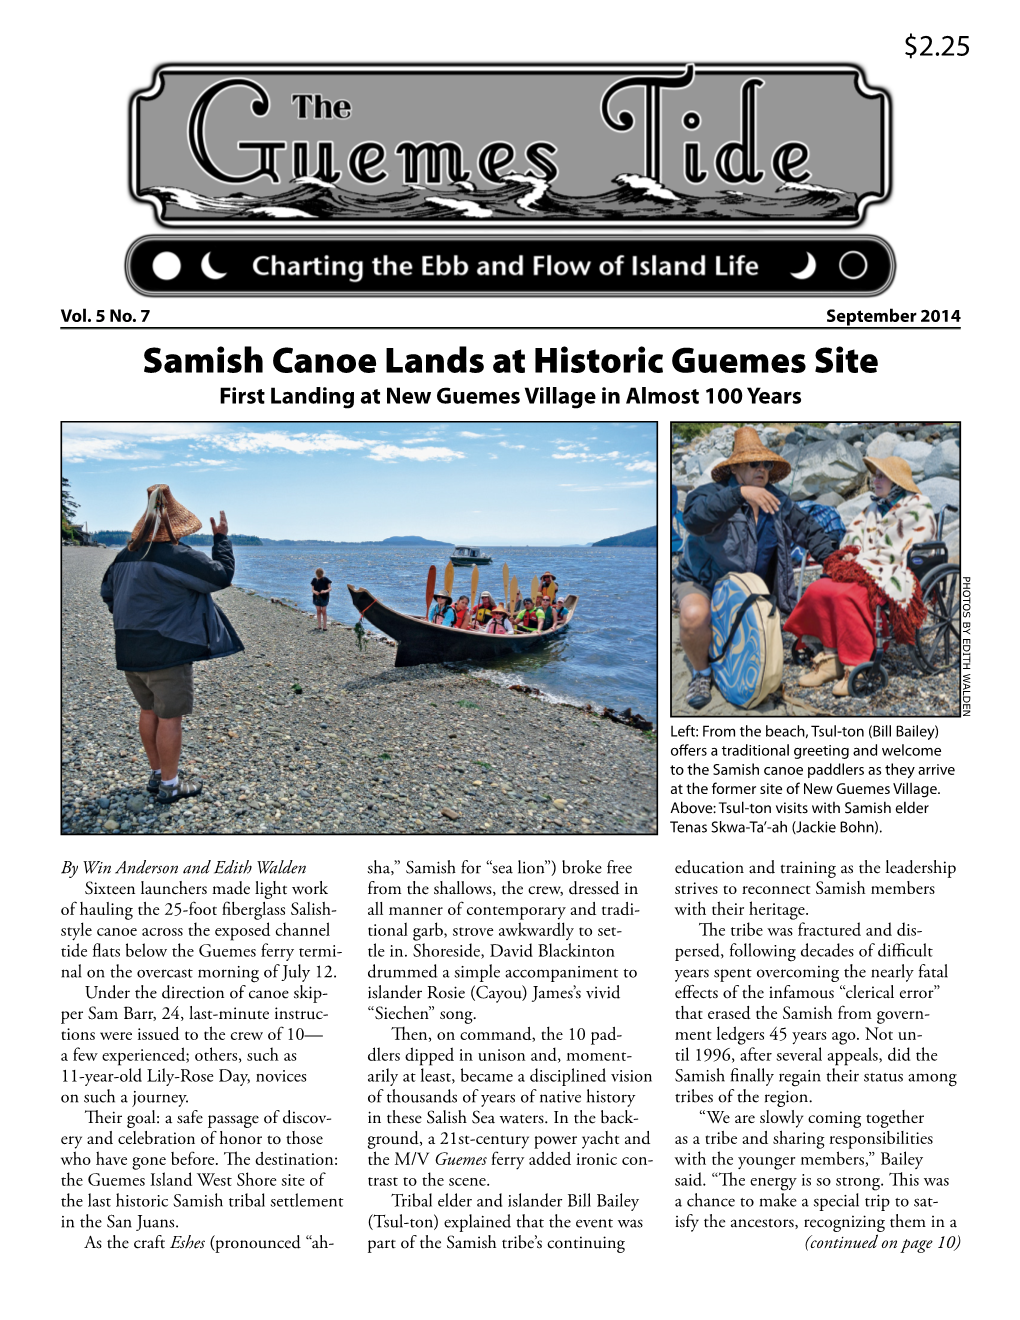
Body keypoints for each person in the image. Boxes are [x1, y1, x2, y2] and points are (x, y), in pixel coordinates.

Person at [673, 426, 836, 710]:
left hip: (748, 591)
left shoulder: (777, 499)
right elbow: (694, 520)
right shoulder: (710, 494)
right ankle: (701, 673)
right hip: (703, 583)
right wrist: (740, 494)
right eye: (754, 464)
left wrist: (834, 562)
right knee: (693, 616)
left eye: (766, 464)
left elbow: (809, 530)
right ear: (736, 468)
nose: (762, 469)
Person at [99, 484, 243, 804]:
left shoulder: (124, 556)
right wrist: (221, 539)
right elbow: (220, 576)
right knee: (170, 717)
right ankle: (170, 785)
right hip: (166, 650)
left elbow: (108, 594)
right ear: (175, 528)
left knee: (148, 710)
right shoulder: (175, 555)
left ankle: (156, 774)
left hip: (128, 649)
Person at [784, 456, 937, 697]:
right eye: (874, 475)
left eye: (880, 476)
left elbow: (902, 546)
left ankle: (854, 661)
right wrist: (850, 553)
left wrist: (863, 562)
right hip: (863, 566)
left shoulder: (918, 506)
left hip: (893, 567)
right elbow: (854, 534)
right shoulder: (875, 507)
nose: (874, 480)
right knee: (818, 589)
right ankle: (830, 656)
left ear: (896, 481)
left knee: (847, 595)